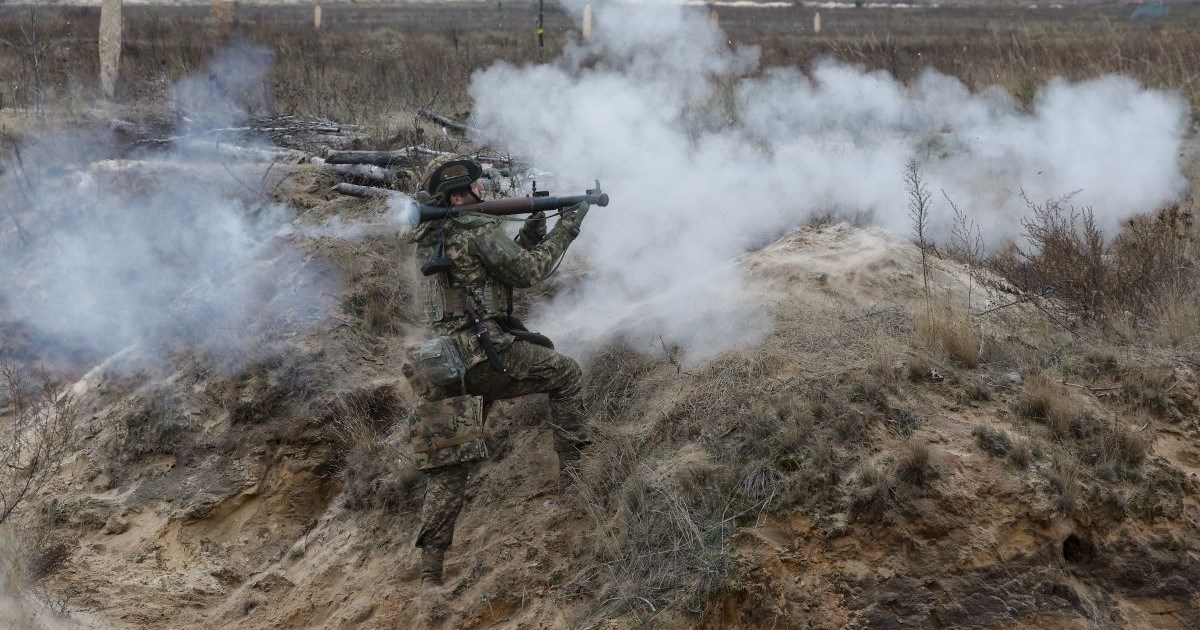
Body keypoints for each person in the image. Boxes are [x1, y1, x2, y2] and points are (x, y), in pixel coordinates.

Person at [403, 155, 590, 588]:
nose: (484, 192)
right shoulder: (476, 229)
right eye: (476, 188)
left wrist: (530, 230)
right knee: (566, 375)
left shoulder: (431, 234)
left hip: (443, 364)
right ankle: (579, 487)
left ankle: (431, 573)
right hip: (486, 356)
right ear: (457, 195)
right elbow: (528, 272)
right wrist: (570, 224)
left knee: (449, 468)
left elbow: (487, 273)